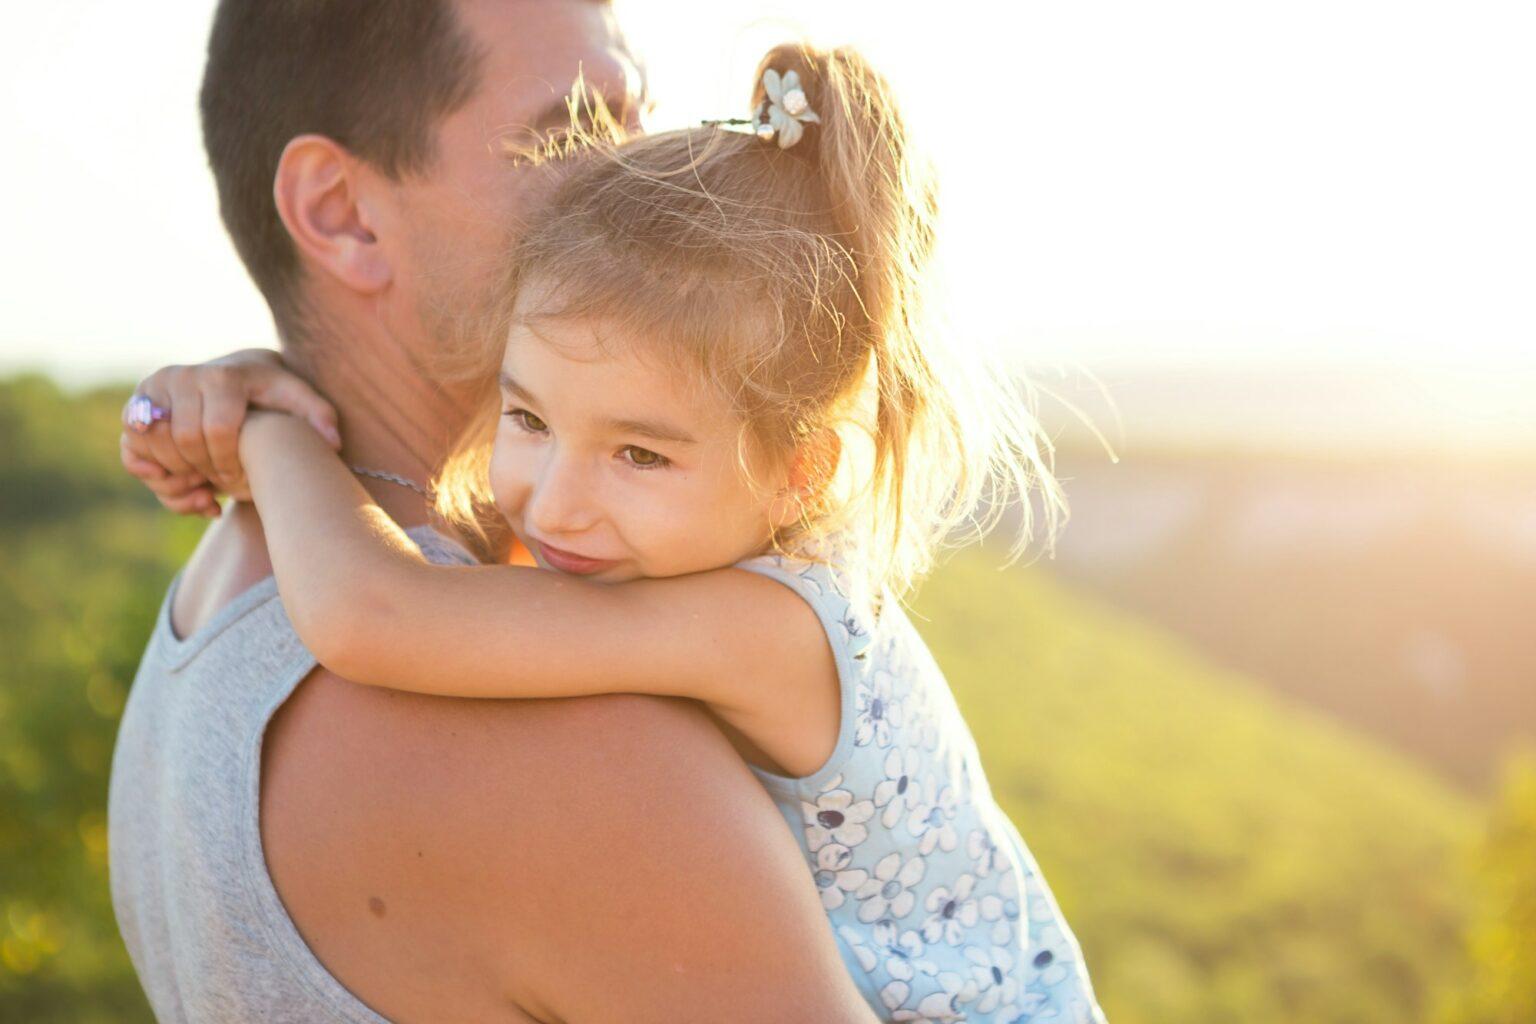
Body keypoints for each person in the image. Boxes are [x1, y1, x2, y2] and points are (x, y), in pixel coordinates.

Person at [123, 36, 1107, 1024]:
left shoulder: (212, 613)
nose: (627, 168)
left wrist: (270, 433)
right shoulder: (583, 738)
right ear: (341, 214)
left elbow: (375, 610)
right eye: (569, 133)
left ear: (797, 469)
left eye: (630, 119)